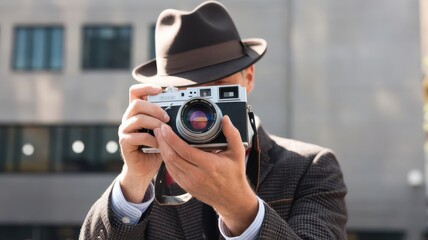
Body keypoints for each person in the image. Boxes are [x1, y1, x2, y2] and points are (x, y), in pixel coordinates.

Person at [80, 1, 347, 239]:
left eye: (219, 90)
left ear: (248, 78)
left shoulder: (311, 168)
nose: (202, 109)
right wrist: (133, 180)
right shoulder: (149, 180)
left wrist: (240, 208)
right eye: (186, 94)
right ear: (161, 96)